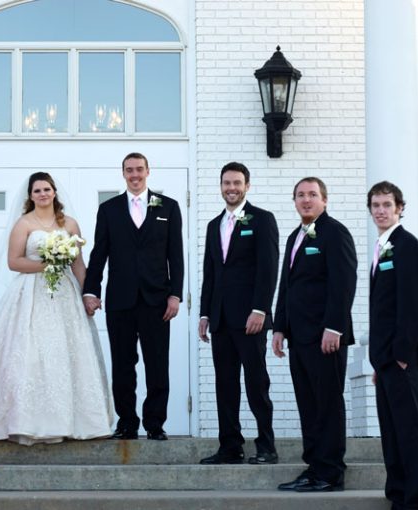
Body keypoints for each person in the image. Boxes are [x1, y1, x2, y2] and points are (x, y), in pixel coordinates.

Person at [0, 172, 113, 445]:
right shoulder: (24, 223)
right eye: (37, 191)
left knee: (64, 352)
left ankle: (74, 420)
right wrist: (49, 264)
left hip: (64, 295)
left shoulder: (70, 224)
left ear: (54, 192)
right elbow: (14, 262)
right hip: (30, 294)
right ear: (30, 195)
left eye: (47, 189)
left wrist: (88, 294)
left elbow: (78, 263)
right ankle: (26, 420)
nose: (43, 194)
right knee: (30, 352)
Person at [83, 152, 184, 441]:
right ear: (123, 173)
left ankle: (155, 424)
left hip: (157, 301)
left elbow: (175, 256)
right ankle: (127, 422)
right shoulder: (110, 209)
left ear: (148, 171)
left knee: (157, 363)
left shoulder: (169, 207)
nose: (135, 174)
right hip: (120, 300)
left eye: (139, 169)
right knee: (123, 364)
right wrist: (91, 290)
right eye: (129, 170)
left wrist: (175, 294)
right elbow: (98, 253)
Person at [272, 177, 356, 492]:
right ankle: (314, 467)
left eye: (312, 195)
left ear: (324, 199)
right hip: (300, 337)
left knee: (327, 403)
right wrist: (279, 327)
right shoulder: (296, 235)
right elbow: (287, 286)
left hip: (326, 338)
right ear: (294, 201)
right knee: (308, 404)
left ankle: (330, 472)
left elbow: (344, 281)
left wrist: (334, 327)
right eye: (300, 195)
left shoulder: (335, 232)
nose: (306, 200)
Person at [198, 162, 279, 465]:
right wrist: (205, 314)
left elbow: (268, 269)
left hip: (250, 319)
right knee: (225, 385)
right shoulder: (213, 225)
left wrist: (260, 309)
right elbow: (211, 273)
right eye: (226, 183)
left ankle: (266, 447)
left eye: (237, 183)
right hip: (220, 319)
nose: (231, 188)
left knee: (257, 383)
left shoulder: (262, 220)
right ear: (220, 186)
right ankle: (230, 446)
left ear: (247, 185)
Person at [367, 181, 418, 510]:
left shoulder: (406, 246)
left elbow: (414, 302)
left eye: (387, 205)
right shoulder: (382, 247)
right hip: (386, 361)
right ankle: (398, 495)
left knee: (409, 432)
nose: (381, 210)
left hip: (402, 359)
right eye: (376, 205)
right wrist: (380, 363)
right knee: (391, 434)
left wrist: (403, 356)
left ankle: (417, 500)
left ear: (399, 208)